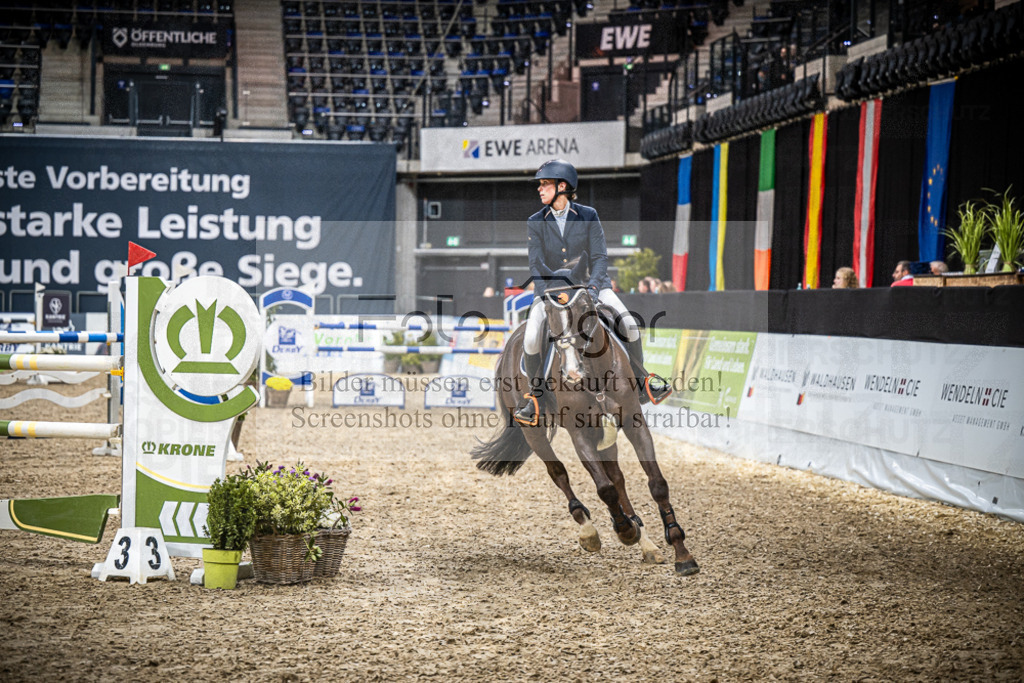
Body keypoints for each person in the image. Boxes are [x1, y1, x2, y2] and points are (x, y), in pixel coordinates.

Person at [514, 159, 672, 425]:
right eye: (539, 185)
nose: (540, 189)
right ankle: (536, 399)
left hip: (590, 286)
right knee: (531, 338)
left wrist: (595, 289)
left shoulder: (588, 215)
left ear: (562, 186)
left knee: (630, 324)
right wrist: (547, 295)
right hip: (552, 292)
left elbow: (599, 257)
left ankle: (642, 384)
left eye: (545, 184)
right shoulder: (535, 221)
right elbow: (535, 264)